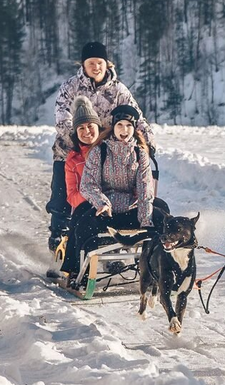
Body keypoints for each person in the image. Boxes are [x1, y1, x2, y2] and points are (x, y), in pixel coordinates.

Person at [46, 42, 155, 251]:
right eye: (91, 63)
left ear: (107, 64)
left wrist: (148, 139)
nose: (96, 67)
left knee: (106, 192)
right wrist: (78, 136)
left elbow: (135, 116)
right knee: (62, 193)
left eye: (99, 63)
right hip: (71, 148)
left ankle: (110, 233)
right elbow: (61, 115)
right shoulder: (71, 86)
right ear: (83, 65)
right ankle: (59, 232)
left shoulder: (118, 90)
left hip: (103, 151)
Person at [60, 105, 158, 283]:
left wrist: (146, 222)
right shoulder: (100, 151)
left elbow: (145, 190)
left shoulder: (140, 154)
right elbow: (88, 184)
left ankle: (157, 267)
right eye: (120, 125)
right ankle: (78, 271)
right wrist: (101, 203)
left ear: (134, 128)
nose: (124, 130)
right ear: (113, 127)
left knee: (161, 217)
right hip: (106, 210)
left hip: (130, 208)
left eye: (128, 126)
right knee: (83, 225)